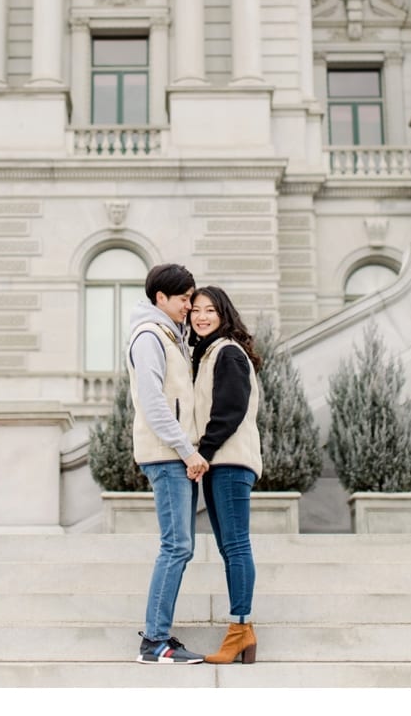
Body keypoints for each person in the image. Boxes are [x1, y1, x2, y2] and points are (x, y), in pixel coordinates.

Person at [126, 262, 209, 664]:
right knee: (176, 546)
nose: (189, 306)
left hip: (173, 454)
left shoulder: (170, 336)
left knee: (178, 546)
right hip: (167, 454)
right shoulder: (148, 337)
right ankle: (154, 642)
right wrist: (187, 449)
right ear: (160, 298)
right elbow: (153, 404)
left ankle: (158, 638)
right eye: (183, 298)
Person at [188, 285, 263, 665]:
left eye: (209, 310)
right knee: (229, 546)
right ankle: (242, 631)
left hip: (229, 462)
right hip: (222, 463)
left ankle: (240, 628)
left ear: (223, 314)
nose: (201, 316)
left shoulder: (228, 353)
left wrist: (202, 452)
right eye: (195, 310)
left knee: (235, 546)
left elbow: (229, 411)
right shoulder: (211, 353)